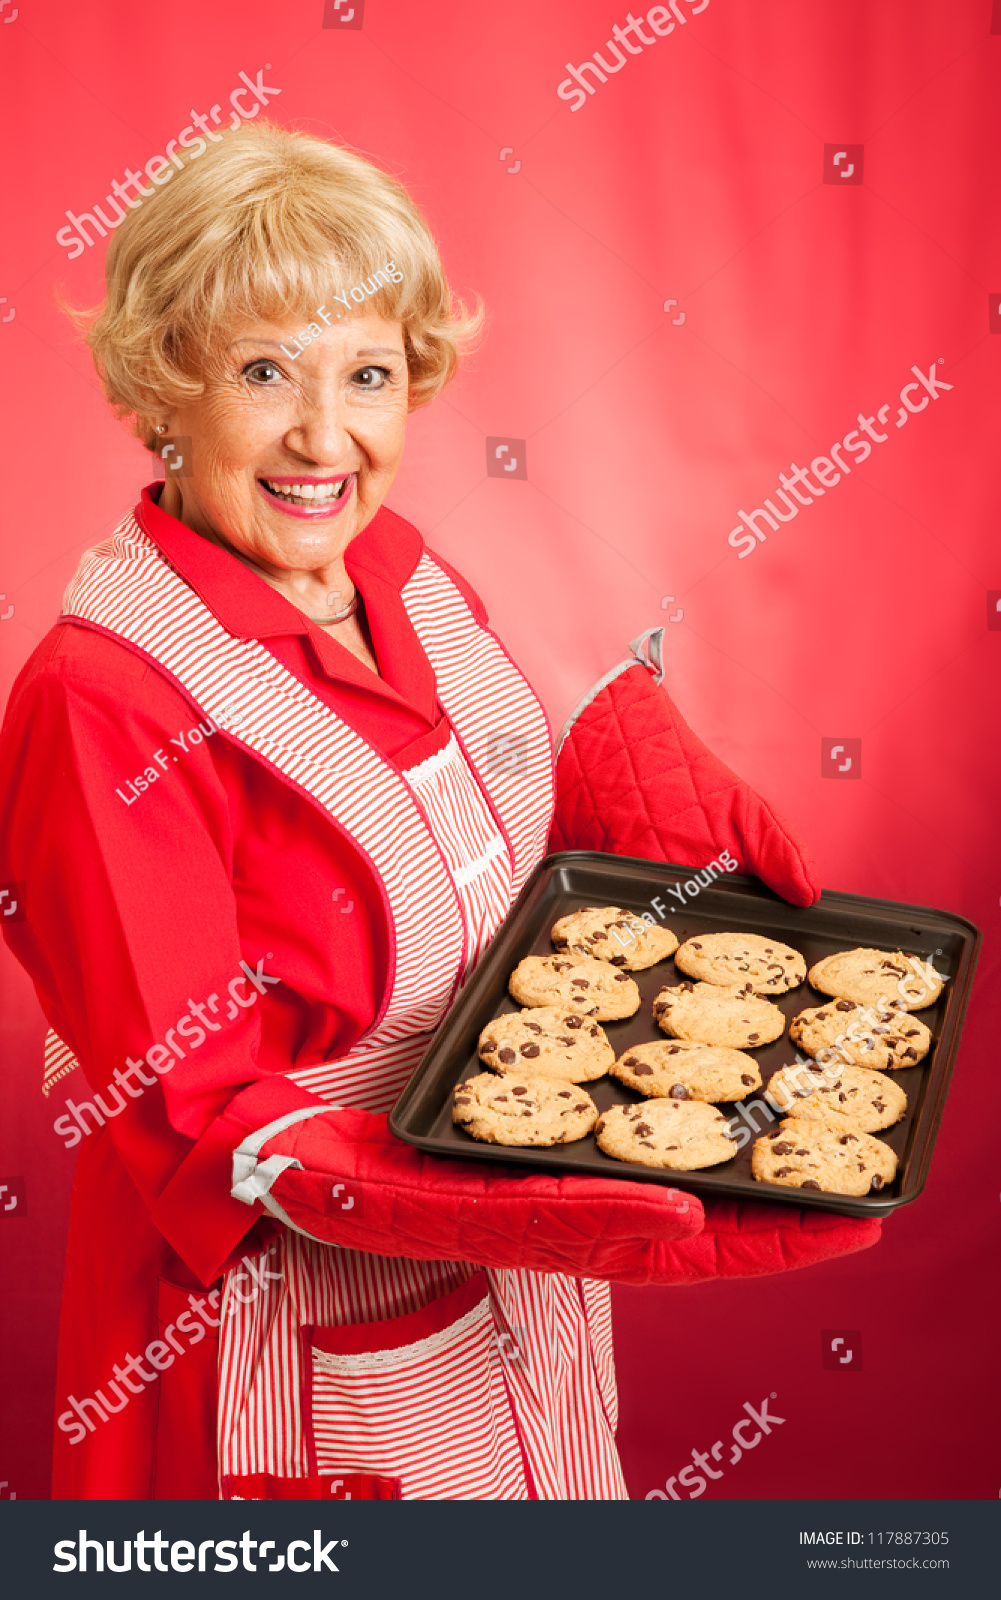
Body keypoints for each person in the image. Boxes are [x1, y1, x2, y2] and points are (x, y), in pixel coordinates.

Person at [0, 123, 876, 1502]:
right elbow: (187, 1108)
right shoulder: (101, 695)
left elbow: (469, 778)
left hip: (500, 1255)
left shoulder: (393, 569)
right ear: (161, 386)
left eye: (369, 374)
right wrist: (461, 1190)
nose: (322, 436)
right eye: (262, 373)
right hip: (280, 1316)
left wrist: (621, 777)